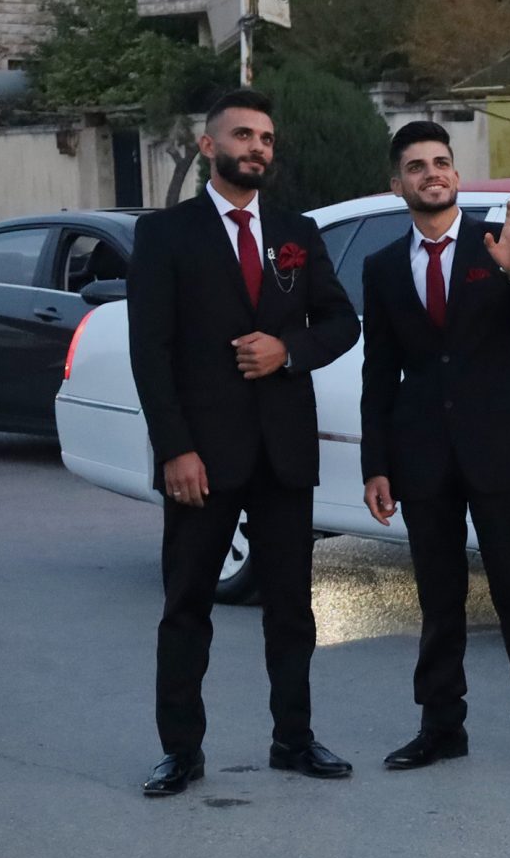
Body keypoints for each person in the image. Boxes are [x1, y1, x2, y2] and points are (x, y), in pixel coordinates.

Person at [128, 88, 360, 798]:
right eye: (243, 135)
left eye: (266, 138)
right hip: (202, 455)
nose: (257, 147)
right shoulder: (166, 234)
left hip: (283, 453)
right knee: (187, 606)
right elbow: (151, 352)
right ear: (209, 146)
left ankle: (294, 738)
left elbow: (341, 322)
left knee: (291, 608)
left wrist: (288, 351)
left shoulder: (296, 232)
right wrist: (175, 449)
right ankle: (180, 751)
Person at [359, 120, 510, 772]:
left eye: (441, 163)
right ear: (398, 184)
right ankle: (441, 726)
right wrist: (377, 464)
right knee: (438, 598)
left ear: (456, 174)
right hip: (422, 455)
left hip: (502, 449)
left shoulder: (498, 243)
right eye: (417, 166)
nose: (431, 174)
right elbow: (380, 373)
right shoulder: (381, 267)